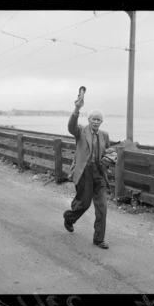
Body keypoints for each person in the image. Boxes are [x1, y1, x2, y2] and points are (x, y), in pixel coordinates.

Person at [63, 86, 110, 249]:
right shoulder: (81, 131)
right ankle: (69, 217)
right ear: (89, 120)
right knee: (84, 203)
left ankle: (99, 239)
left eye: (98, 119)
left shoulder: (104, 135)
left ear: (101, 122)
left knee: (102, 207)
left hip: (99, 174)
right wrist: (77, 108)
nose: (96, 122)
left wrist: (111, 157)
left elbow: (108, 151)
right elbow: (71, 127)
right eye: (93, 119)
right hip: (85, 172)